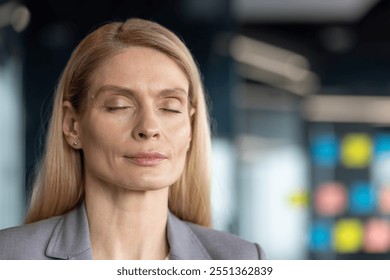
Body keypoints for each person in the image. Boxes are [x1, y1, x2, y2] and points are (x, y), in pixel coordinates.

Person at [0, 18, 265, 260]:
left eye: (170, 108)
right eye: (118, 106)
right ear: (72, 126)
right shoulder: (10, 257)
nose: (149, 128)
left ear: (191, 127)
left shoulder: (242, 260)